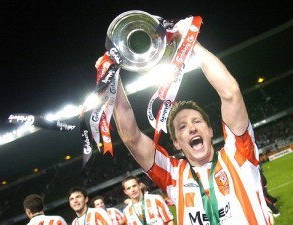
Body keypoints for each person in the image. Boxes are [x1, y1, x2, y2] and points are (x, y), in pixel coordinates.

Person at [112, 19, 272, 224]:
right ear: (177, 143)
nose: (192, 128)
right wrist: (112, 80)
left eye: (197, 121)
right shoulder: (173, 175)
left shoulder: (238, 154)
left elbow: (231, 92)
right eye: (183, 127)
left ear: (210, 130)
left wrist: (191, 41)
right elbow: (131, 137)